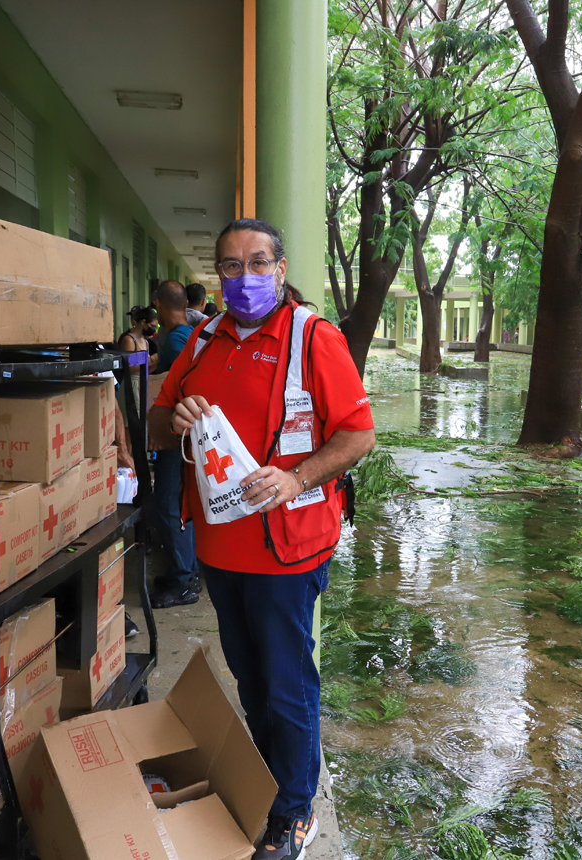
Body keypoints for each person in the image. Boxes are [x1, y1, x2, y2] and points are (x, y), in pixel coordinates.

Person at [149, 218, 375, 860]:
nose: (243, 277)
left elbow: (359, 435)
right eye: (229, 266)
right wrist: (179, 418)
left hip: (288, 549)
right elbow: (159, 426)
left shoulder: (313, 338)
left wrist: (296, 476)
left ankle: (295, 809)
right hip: (221, 549)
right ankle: (272, 783)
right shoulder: (200, 343)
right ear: (215, 276)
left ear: (279, 269)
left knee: (286, 682)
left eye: (256, 264)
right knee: (249, 677)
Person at [146, 281, 200, 608]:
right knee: (166, 502)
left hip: (178, 436)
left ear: (157, 304)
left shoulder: (179, 338)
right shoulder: (183, 335)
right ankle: (182, 572)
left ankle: (183, 579)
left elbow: (190, 385)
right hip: (175, 434)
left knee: (169, 503)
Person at [117, 306, 159, 373]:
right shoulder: (130, 340)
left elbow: (145, 370)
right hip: (131, 382)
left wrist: (158, 361)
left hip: (143, 381)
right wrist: (152, 359)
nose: (153, 329)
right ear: (143, 322)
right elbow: (129, 367)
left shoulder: (145, 341)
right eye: (152, 326)